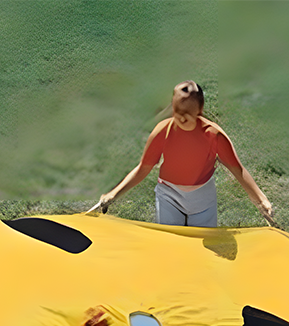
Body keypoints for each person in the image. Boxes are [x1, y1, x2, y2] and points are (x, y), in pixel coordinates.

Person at [98, 80, 274, 227]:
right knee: (171, 245)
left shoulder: (214, 136)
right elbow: (144, 168)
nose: (182, 119)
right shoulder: (162, 132)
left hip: (203, 199)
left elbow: (238, 170)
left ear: (200, 110)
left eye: (188, 114)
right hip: (169, 196)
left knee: (204, 252)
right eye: (179, 113)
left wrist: (261, 200)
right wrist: (114, 194)